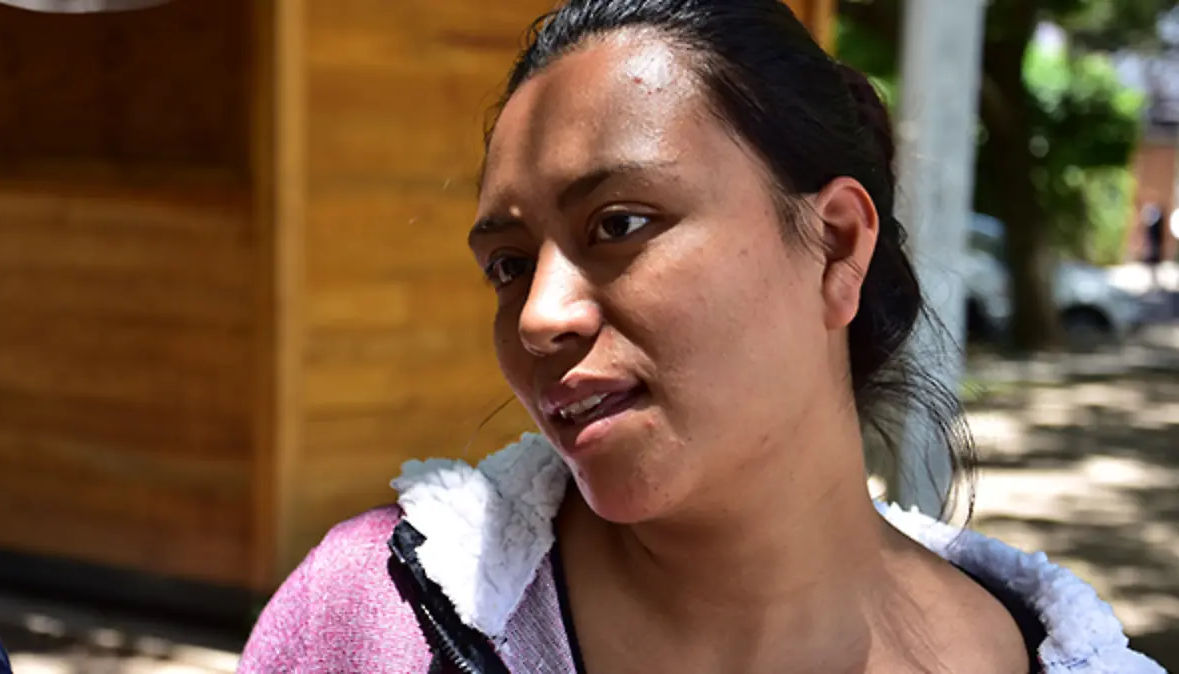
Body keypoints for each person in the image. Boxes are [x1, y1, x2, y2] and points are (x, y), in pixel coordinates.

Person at [239, 1, 1165, 672]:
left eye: (619, 223)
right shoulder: (368, 625)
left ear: (836, 244)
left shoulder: (1053, 657)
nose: (537, 316)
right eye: (508, 265)